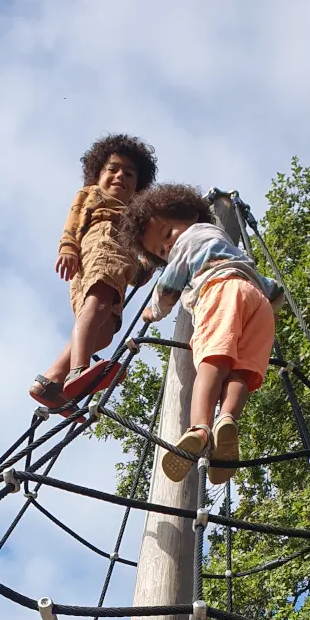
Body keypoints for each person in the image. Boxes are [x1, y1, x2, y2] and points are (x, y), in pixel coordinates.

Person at [120, 184, 284, 484]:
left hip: (218, 292)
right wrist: (272, 300)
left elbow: (169, 286)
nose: (169, 248)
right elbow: (273, 289)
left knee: (213, 363)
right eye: (160, 251)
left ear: (192, 216)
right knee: (242, 373)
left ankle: (199, 428)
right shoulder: (228, 247)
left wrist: (153, 311)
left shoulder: (190, 238)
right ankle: (227, 419)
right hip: (257, 301)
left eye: (167, 235)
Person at [30, 134, 157, 413]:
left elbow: (133, 264)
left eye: (129, 173)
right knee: (96, 306)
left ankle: (52, 381)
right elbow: (74, 221)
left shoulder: (134, 217)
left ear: (138, 187)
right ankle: (78, 371)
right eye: (112, 169)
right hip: (100, 248)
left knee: (105, 332)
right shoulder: (92, 195)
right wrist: (68, 248)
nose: (119, 176)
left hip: (116, 267)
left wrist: (147, 267)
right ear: (97, 174)